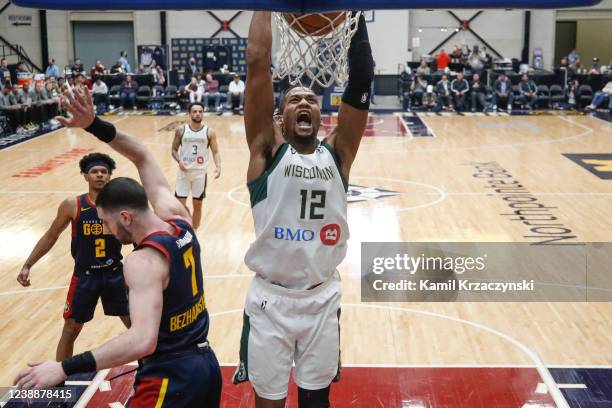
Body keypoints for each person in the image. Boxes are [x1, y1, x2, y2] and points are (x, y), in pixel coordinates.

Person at [14, 87, 222, 407]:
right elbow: (142, 154)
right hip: (205, 364)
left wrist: (63, 367)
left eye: (108, 223)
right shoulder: (178, 218)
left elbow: (141, 340)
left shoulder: (142, 261)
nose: (109, 231)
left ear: (125, 216)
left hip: (170, 376)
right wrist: (93, 123)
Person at [232, 11, 373, 407]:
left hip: (321, 297)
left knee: (316, 401)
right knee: (269, 402)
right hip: (270, 301)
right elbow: (257, 59)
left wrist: (355, 11)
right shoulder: (265, 150)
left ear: (320, 114)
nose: (305, 102)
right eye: (295, 99)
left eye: (311, 99)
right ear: (281, 117)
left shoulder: (339, 154)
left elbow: (362, 76)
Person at [17, 152, 130, 365]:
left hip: (115, 274)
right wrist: (28, 264)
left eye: (104, 172)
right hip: (85, 277)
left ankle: (155, 369)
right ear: (85, 176)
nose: (99, 175)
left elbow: (138, 238)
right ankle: (59, 381)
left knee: (136, 324)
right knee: (71, 329)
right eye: (94, 172)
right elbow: (51, 236)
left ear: (110, 177)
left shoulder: (120, 205)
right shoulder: (73, 205)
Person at [172, 102, 221, 229]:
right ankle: (183, 227)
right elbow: (173, 150)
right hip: (184, 173)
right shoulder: (181, 130)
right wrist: (179, 161)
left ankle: (194, 233)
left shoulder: (209, 132)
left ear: (203, 113)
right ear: (189, 114)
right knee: (179, 205)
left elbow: (215, 151)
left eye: (200, 111)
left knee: (197, 205)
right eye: (194, 111)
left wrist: (218, 166)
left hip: (200, 174)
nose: (197, 114)